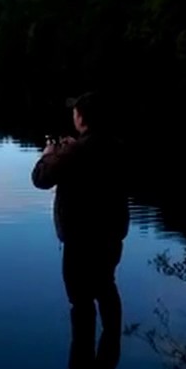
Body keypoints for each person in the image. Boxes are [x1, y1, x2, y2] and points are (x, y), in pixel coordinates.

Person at [30, 91, 129, 348]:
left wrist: (49, 154)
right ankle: (112, 343)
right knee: (106, 286)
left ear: (82, 118)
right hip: (111, 234)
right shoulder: (117, 147)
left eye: (75, 112)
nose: (73, 116)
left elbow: (41, 179)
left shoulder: (75, 153)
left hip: (80, 240)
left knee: (80, 298)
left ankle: (82, 361)